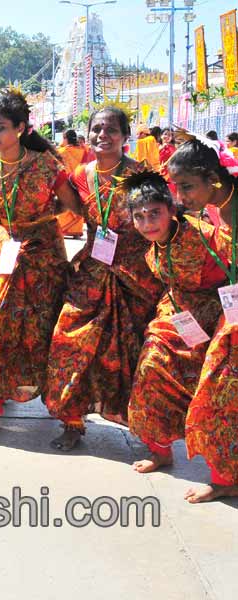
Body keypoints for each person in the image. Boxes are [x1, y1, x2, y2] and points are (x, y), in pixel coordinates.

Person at [0, 89, 79, 441]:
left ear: (22, 128)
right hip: (2, 251)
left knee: (45, 333)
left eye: (0, 128)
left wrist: (41, 220)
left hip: (43, 256)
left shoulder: (46, 165)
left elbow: (73, 206)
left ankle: (71, 420)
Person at [44, 107, 163, 450]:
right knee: (68, 340)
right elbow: (62, 208)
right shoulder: (80, 175)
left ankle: (149, 431)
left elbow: (162, 221)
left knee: (134, 352)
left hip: (136, 276)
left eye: (111, 129)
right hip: (92, 271)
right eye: (96, 129)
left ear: (126, 136)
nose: (102, 135)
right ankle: (71, 420)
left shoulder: (142, 175)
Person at [122, 171, 228, 478]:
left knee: (218, 388)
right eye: (139, 217)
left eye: (154, 213)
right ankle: (160, 450)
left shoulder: (205, 237)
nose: (147, 223)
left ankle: (225, 476)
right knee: (151, 367)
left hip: (220, 312)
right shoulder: (154, 245)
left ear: (171, 209)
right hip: (178, 315)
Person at [165, 137, 238, 502]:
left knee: (217, 392)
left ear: (213, 178)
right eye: (177, 188)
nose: (182, 197)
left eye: (188, 187)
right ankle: (226, 474)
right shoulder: (215, 206)